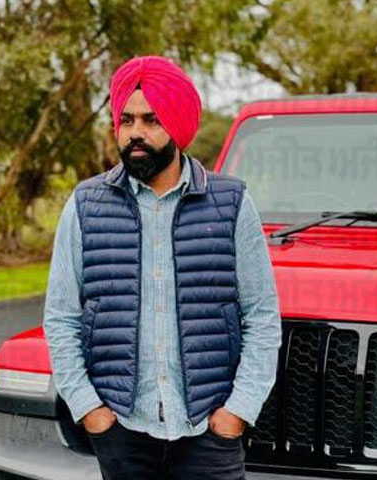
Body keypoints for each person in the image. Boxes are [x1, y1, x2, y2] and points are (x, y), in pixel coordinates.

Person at [42, 55, 282, 480]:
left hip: (209, 431)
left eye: (151, 120)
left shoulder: (231, 204)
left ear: (177, 124)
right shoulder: (84, 205)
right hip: (121, 430)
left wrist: (238, 412)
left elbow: (261, 316)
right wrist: (89, 409)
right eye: (127, 120)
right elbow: (62, 317)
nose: (136, 132)